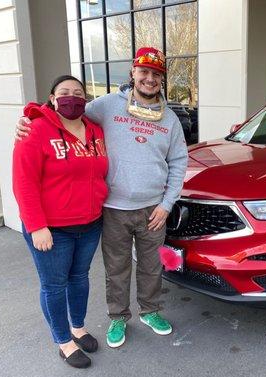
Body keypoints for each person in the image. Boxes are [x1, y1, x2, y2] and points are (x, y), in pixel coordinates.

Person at [16, 47, 188, 348]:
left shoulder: (170, 119)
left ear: (161, 80)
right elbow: (64, 116)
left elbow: (179, 162)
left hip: (153, 209)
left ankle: (150, 311)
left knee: (151, 266)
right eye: (144, 72)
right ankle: (118, 317)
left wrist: (166, 204)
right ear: (133, 73)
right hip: (112, 209)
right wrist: (29, 119)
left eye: (156, 75)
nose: (149, 79)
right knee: (117, 268)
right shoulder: (106, 105)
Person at [13, 75, 109, 368]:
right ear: (52, 98)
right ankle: (63, 341)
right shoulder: (35, 130)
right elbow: (23, 182)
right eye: (64, 93)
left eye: (78, 93)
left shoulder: (95, 130)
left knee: (80, 279)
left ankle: (78, 328)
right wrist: (36, 225)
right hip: (51, 230)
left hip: (90, 223)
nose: (72, 97)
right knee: (54, 286)